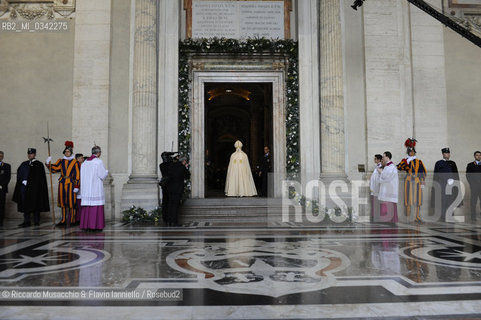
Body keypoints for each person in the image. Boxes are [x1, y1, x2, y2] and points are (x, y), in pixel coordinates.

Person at [46, 141, 80, 227]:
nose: (67, 153)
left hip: (71, 183)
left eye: (68, 151)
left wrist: (77, 185)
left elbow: (78, 175)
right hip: (62, 183)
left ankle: (72, 220)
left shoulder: (75, 162)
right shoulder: (60, 161)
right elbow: (54, 169)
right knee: (63, 202)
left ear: (71, 152)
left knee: (71, 202)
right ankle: (63, 220)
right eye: (65, 151)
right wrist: (48, 163)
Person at [12, 148, 50, 227]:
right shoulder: (24, 163)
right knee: (25, 204)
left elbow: (40, 178)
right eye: (29, 154)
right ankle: (27, 221)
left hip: (34, 189)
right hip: (24, 188)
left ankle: (36, 221)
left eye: (31, 154)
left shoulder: (39, 164)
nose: (30, 155)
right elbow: (19, 173)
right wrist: (22, 181)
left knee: (35, 204)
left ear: (35, 154)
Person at [397, 138, 427, 223]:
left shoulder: (419, 162)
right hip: (409, 180)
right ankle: (408, 216)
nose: (411, 153)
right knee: (408, 198)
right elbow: (399, 167)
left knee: (418, 198)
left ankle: (417, 216)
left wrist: (422, 180)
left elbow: (423, 171)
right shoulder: (405, 161)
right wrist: (405, 163)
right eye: (410, 152)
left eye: (413, 152)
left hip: (417, 180)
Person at [79, 146, 108, 231]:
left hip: (86, 189)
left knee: (87, 206)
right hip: (95, 188)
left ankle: (86, 225)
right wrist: (106, 172)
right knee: (96, 205)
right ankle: (96, 226)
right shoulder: (98, 162)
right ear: (98, 153)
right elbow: (102, 175)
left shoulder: (84, 163)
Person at [431, 148, 461, 222]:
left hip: (452, 185)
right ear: (443, 154)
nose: (447, 155)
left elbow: (456, 174)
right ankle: (443, 215)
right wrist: (447, 179)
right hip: (443, 184)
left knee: (451, 200)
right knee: (443, 200)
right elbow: (437, 174)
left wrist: (454, 180)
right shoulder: (439, 163)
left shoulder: (453, 163)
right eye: (446, 153)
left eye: (448, 153)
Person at [165, 155, 190, 226]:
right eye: (185, 161)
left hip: (170, 188)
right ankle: (174, 221)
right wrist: (186, 167)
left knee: (170, 205)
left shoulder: (172, 166)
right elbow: (187, 176)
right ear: (184, 161)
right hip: (177, 189)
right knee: (175, 206)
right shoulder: (182, 167)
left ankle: (168, 221)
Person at [377, 151, 399, 224]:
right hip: (386, 189)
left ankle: (388, 220)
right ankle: (385, 220)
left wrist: (381, 172)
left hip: (389, 191)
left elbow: (387, 178)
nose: (382, 158)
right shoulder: (387, 166)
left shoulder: (392, 167)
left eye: (383, 156)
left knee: (388, 205)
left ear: (387, 157)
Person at [159, 151, 175, 225]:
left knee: (165, 202)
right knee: (169, 203)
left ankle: (165, 218)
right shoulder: (170, 165)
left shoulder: (162, 165)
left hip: (165, 186)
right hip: (170, 186)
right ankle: (168, 218)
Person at [466, 151, 481, 221]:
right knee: (473, 202)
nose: (478, 156)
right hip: (474, 187)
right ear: (474, 156)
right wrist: (472, 184)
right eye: (477, 155)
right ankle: (473, 216)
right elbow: (468, 176)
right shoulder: (470, 165)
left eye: (480, 155)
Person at [370, 154, 383, 220]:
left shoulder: (381, 166)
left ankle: (377, 216)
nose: (374, 160)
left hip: (377, 188)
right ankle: (375, 215)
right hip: (374, 188)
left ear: (379, 160)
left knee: (377, 203)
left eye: (375, 159)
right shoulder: (377, 167)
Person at [0, 151, 11, 226]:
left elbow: (8, 177)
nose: (0, 157)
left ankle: (0, 221)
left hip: (2, 189)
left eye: (1, 156)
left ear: (3, 157)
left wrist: (1, 185)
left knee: (1, 205)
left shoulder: (7, 166)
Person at [74, 153, 84, 225]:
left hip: (81, 186)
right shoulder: (75, 165)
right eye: (81, 158)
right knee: (77, 204)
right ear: (77, 159)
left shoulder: (82, 165)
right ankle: (77, 218)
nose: (83, 159)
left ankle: (80, 218)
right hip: (76, 186)